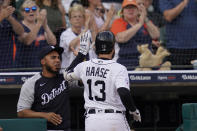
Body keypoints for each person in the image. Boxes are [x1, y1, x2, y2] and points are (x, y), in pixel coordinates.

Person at [64, 31, 141, 131]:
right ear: (113, 49)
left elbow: (66, 74)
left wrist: (82, 53)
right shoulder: (119, 68)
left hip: (92, 120)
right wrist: (133, 110)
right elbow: (124, 92)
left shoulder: (85, 65)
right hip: (114, 118)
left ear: (95, 48)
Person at [17, 45, 71, 131]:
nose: (57, 60)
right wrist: (44, 115)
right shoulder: (32, 82)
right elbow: (21, 112)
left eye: (58, 58)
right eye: (53, 58)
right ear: (43, 61)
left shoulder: (65, 77)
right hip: (43, 128)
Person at [110, 0, 160, 70]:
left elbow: (156, 35)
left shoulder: (145, 21)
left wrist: (145, 18)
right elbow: (121, 38)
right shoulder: (118, 22)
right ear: (122, 12)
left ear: (138, 10)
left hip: (147, 61)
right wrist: (139, 24)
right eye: (127, 8)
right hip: (127, 61)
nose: (130, 10)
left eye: (133, 8)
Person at [14, 0, 56, 68]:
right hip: (23, 67)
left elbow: (53, 42)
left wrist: (45, 25)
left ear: (37, 11)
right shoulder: (19, 27)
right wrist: (39, 23)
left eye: (34, 9)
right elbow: (28, 41)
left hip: (41, 66)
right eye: (27, 10)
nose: (31, 11)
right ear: (22, 13)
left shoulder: (41, 26)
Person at [159, 0, 197, 70]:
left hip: (195, 47)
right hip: (176, 49)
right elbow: (168, 16)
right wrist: (185, 2)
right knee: (178, 78)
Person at [60, 4, 88, 70]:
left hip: (84, 70)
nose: (77, 18)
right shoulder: (65, 34)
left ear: (83, 19)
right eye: (74, 16)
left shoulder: (87, 32)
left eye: (80, 16)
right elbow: (71, 46)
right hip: (68, 71)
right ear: (70, 19)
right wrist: (84, 31)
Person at [0, 0, 24, 69]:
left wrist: (10, 18)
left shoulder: (8, 13)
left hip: (7, 63)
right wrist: (2, 16)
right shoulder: (4, 14)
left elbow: (21, 32)